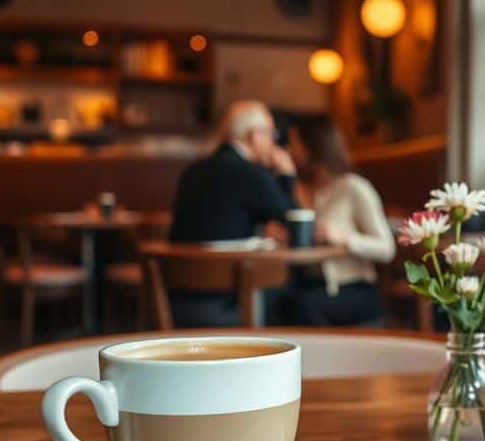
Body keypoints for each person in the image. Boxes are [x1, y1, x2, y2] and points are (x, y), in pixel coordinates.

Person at [166, 100, 298, 326]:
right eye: (270, 134)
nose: (273, 142)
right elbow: (295, 221)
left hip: (177, 302)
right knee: (294, 291)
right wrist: (286, 175)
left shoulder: (191, 172)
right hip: (228, 304)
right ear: (255, 136)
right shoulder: (252, 173)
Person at [285, 116, 395, 325]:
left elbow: (387, 248)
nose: (289, 149)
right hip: (308, 284)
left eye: (294, 142)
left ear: (313, 146)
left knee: (303, 307)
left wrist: (345, 237)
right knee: (279, 303)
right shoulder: (297, 189)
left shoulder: (353, 187)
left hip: (353, 288)